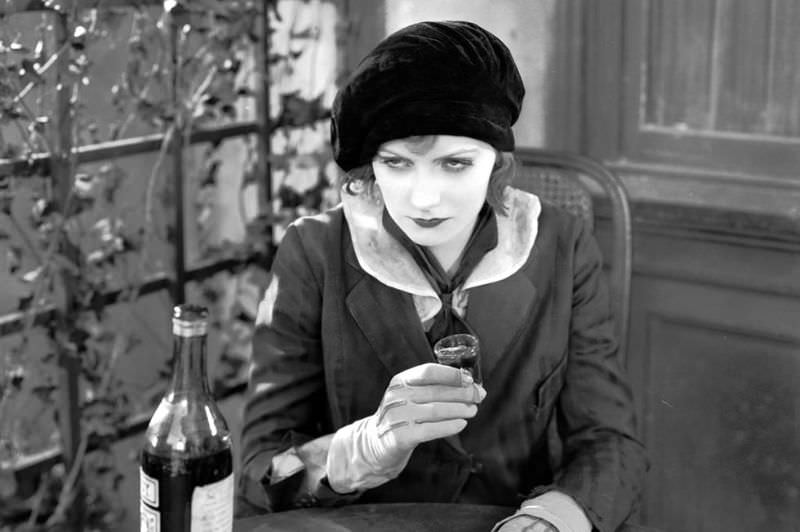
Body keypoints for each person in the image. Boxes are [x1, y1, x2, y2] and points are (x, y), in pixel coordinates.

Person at [238, 20, 647, 532]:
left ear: (496, 162)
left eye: (454, 164)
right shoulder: (314, 250)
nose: (423, 197)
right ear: (369, 166)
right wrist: (354, 453)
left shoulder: (561, 245)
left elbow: (609, 440)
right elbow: (259, 467)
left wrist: (552, 519)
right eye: (396, 163)